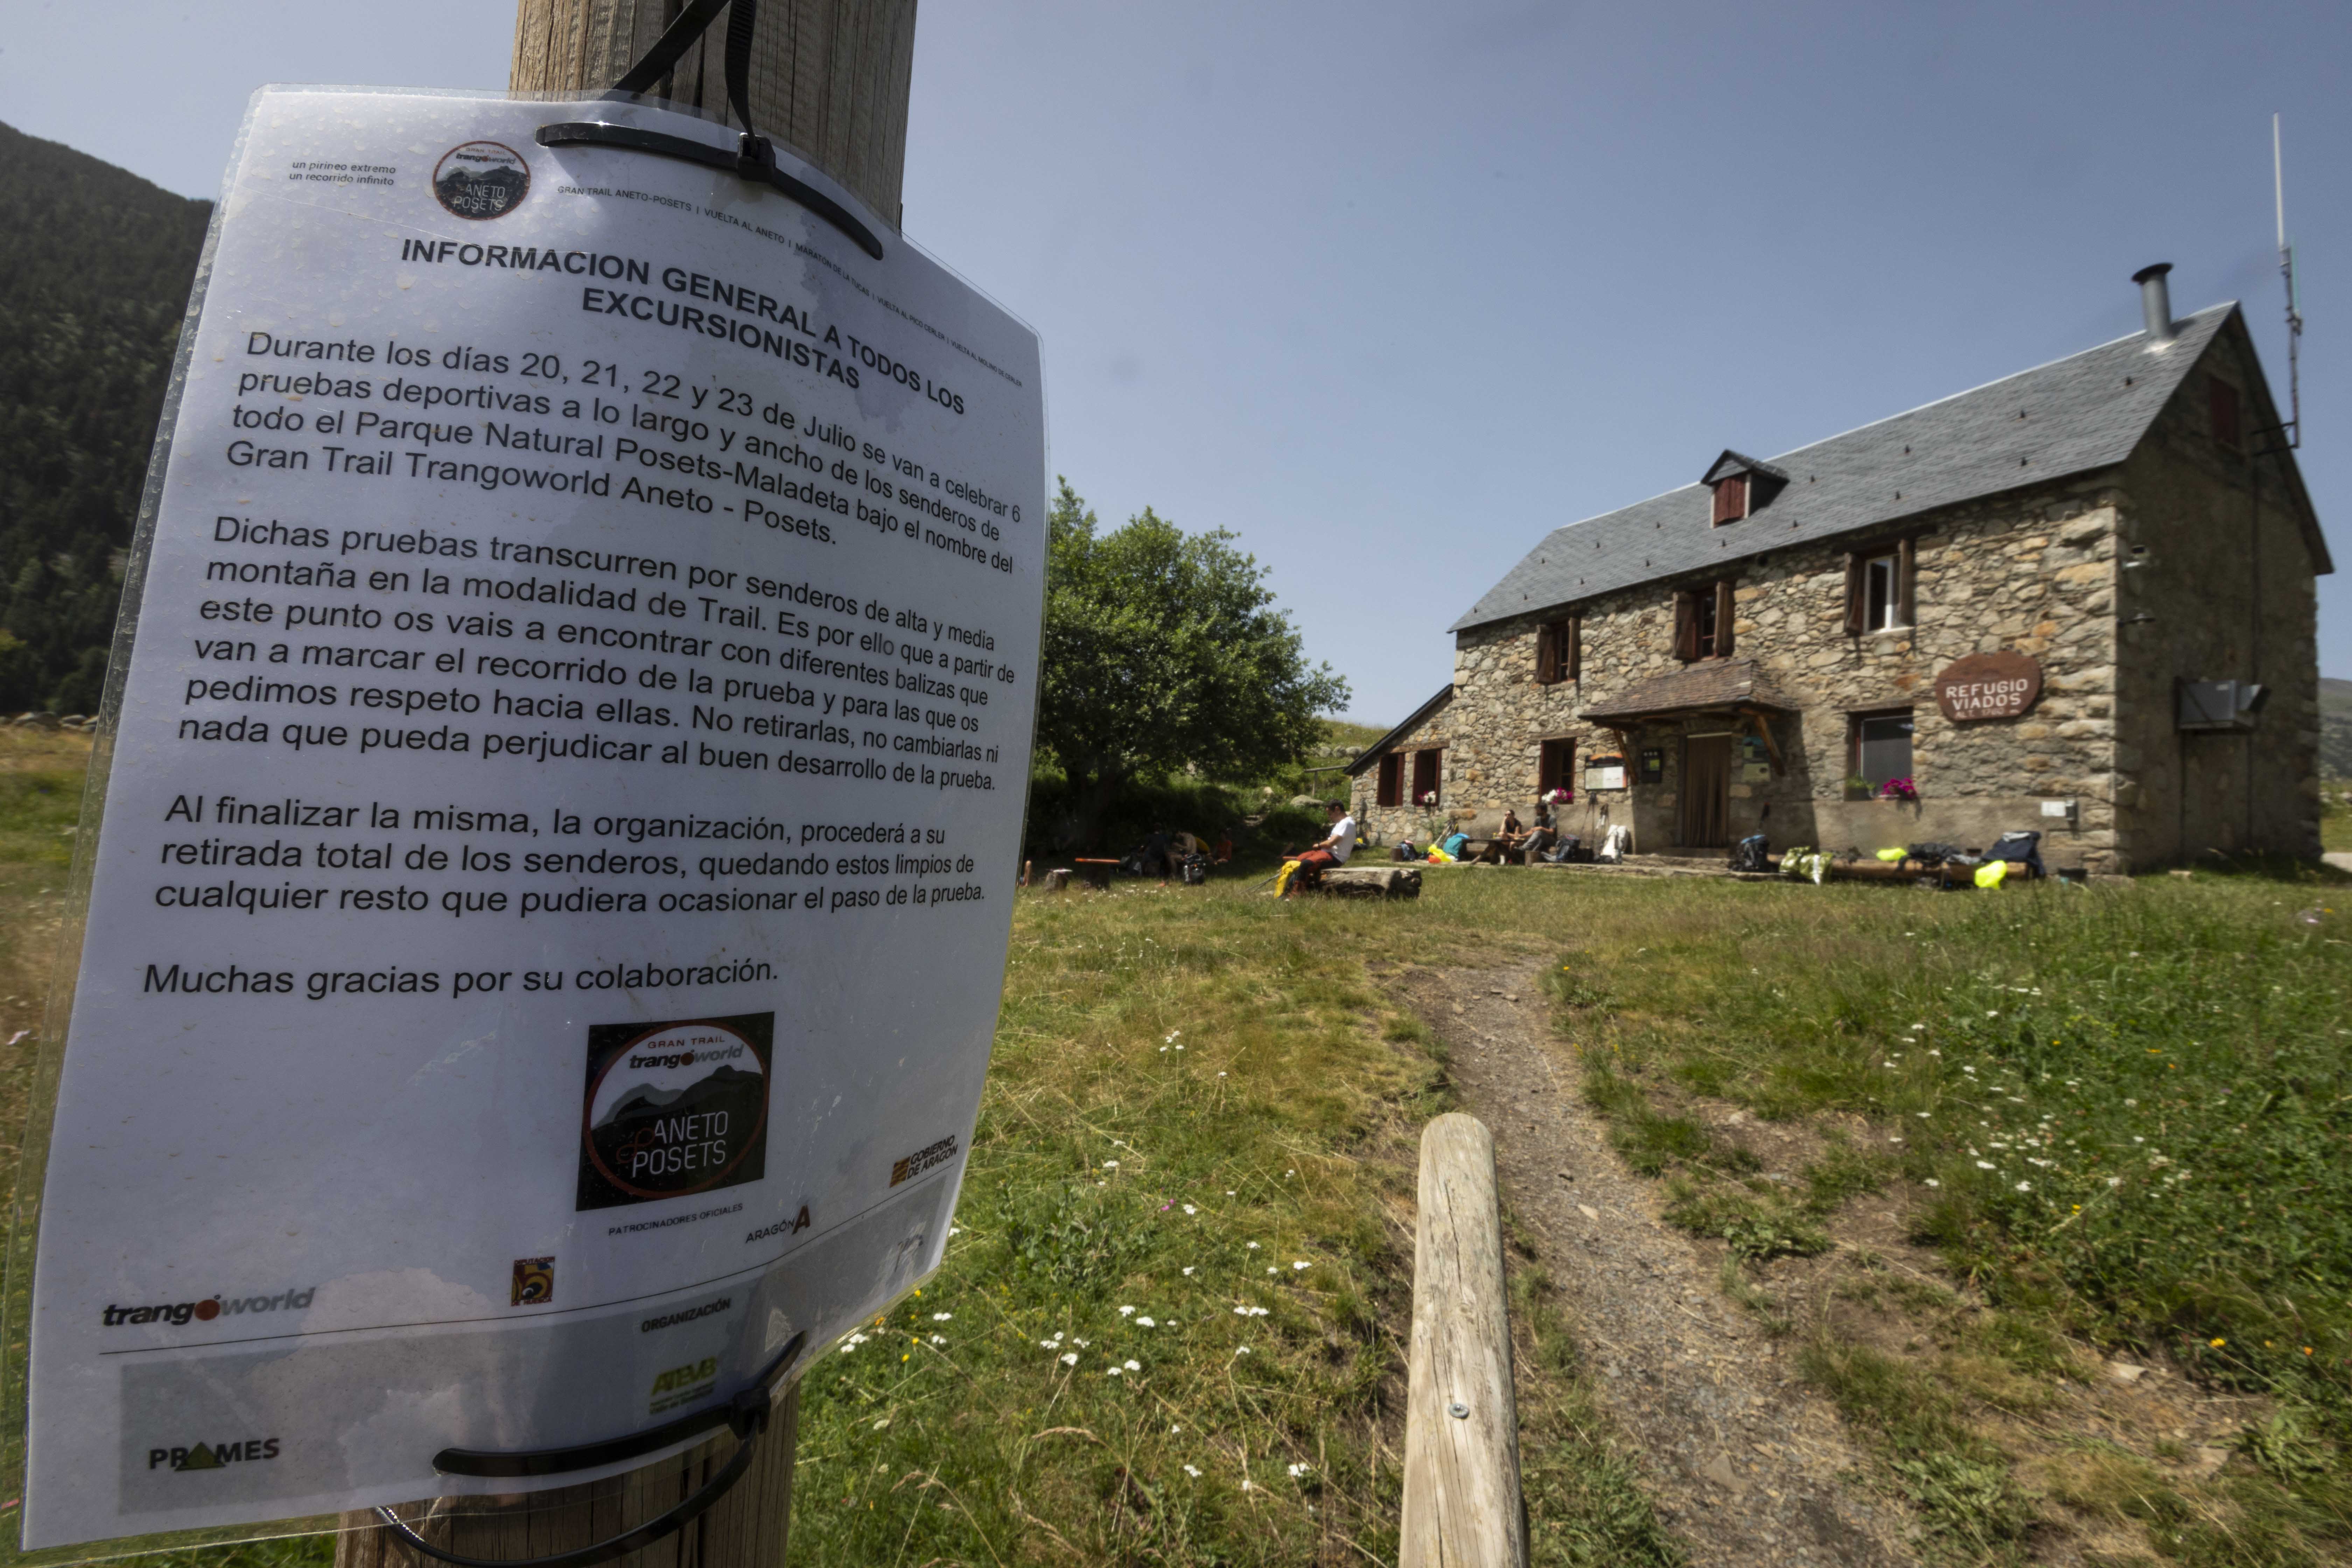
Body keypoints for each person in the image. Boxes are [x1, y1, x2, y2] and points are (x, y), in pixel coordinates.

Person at [1282, 800, 1356, 895]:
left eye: (1330, 815)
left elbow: (1331, 843)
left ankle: (1296, 894)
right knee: (1298, 860)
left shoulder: (1347, 823)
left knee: (1306, 864)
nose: (1330, 818)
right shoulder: (1341, 823)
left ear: (1337, 810)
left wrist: (1319, 845)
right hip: (1327, 853)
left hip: (1336, 857)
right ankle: (1287, 889)